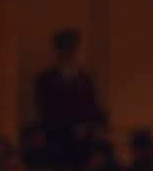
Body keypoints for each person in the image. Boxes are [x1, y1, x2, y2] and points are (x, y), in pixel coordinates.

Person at [34, 29, 106, 162]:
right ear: (58, 51)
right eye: (64, 49)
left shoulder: (85, 79)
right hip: (55, 135)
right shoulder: (46, 79)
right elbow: (43, 107)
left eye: (71, 49)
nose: (68, 53)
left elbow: (91, 105)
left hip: (81, 137)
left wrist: (88, 126)